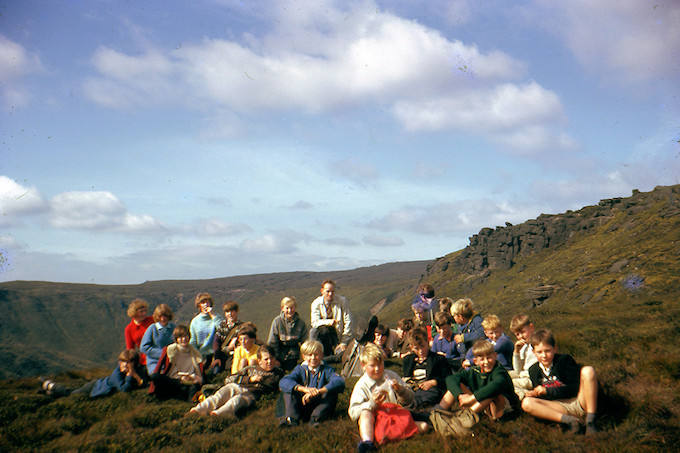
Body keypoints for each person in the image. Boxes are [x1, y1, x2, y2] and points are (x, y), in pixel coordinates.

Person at [349, 343, 427, 453]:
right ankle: (368, 443)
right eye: (372, 366)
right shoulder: (362, 385)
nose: (377, 369)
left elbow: (410, 399)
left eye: (380, 364)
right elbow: (353, 412)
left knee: (424, 426)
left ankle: (389, 436)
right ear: (363, 366)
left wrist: (400, 390)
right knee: (365, 413)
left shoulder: (391, 375)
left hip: (395, 417)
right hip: (376, 421)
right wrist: (372, 404)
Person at [521, 329, 599, 435]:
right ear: (534, 352)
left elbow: (574, 389)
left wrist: (547, 391)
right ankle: (571, 421)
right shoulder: (533, 370)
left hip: (578, 401)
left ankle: (590, 421)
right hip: (559, 407)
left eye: (547, 351)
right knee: (526, 402)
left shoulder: (564, 360)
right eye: (539, 352)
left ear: (555, 348)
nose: (544, 355)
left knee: (588, 371)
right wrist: (534, 394)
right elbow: (544, 397)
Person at [189, 345, 284, 416]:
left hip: (252, 394)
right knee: (220, 395)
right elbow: (229, 379)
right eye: (266, 359)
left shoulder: (278, 373)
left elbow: (270, 385)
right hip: (236, 386)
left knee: (235, 401)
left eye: (271, 358)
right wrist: (249, 379)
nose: (269, 362)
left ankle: (217, 415)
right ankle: (198, 410)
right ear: (259, 361)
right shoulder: (250, 368)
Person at [438, 340, 520, 423]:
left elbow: (497, 385)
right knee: (456, 386)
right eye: (482, 359)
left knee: (491, 393)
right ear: (475, 361)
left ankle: (466, 417)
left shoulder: (499, 371)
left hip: (505, 408)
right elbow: (451, 379)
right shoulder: (474, 371)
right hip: (483, 407)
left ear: (495, 356)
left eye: (489, 357)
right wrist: (460, 396)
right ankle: (437, 413)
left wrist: (471, 399)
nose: (486, 362)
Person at [278, 339, 346, 428]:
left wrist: (319, 391)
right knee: (288, 389)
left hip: (320, 404)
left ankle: (316, 419)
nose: (313, 358)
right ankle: (292, 419)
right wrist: (304, 389)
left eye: (316, 354)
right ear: (304, 357)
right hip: (303, 403)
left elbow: (339, 381)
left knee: (331, 392)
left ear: (322, 355)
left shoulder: (327, 369)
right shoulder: (300, 369)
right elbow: (284, 381)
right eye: (309, 355)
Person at [41, 349, 145, 398]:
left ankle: (49, 393)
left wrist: (134, 374)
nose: (125, 365)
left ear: (134, 363)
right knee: (70, 394)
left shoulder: (136, 370)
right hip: (94, 387)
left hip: (98, 386)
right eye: (123, 362)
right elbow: (124, 389)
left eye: (129, 362)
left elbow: (143, 384)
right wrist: (130, 375)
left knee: (70, 393)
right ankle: (49, 384)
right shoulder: (116, 374)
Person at [149, 325, 204, 401]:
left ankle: (191, 404)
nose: (184, 339)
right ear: (176, 339)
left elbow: (200, 376)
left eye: (186, 336)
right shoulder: (169, 350)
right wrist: (151, 390)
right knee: (155, 376)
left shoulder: (195, 353)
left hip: (188, 383)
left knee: (193, 387)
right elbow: (158, 368)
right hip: (173, 381)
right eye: (180, 337)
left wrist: (192, 378)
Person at [402, 327, 451, 410]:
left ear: (427, 343)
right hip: (412, 389)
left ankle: (412, 409)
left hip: (430, 390)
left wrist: (434, 382)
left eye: (422, 346)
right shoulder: (408, 360)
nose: (421, 351)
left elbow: (448, 378)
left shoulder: (438, 359)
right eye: (416, 348)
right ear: (411, 347)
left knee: (426, 396)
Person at [309, 280, 354, 358]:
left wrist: (343, 342)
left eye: (332, 291)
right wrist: (328, 322)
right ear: (322, 291)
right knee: (313, 331)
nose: (330, 294)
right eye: (328, 291)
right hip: (323, 336)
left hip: (338, 336)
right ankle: (312, 352)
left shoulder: (342, 301)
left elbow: (348, 322)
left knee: (341, 356)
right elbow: (314, 322)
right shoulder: (316, 303)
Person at [268, 296, 309, 371]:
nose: (289, 310)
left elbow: (305, 342)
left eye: (292, 308)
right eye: (287, 308)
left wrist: (305, 358)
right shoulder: (277, 321)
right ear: (282, 308)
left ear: (295, 308)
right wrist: (275, 359)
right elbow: (272, 342)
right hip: (279, 353)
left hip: (293, 354)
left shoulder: (301, 323)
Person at [140, 304, 176, 376]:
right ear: (156, 317)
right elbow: (143, 348)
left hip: (171, 361)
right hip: (155, 362)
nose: (163, 319)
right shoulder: (152, 328)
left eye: (165, 316)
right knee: (157, 377)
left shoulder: (173, 327)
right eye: (160, 316)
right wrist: (162, 353)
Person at [189, 293, 223, 368]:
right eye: (203, 303)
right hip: (201, 355)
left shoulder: (217, 317)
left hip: (216, 354)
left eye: (207, 302)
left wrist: (212, 315)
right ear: (199, 305)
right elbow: (193, 340)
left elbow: (223, 330)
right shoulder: (195, 321)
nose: (205, 305)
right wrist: (196, 356)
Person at [509, 314, 538, 399]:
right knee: (502, 375)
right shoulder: (523, 346)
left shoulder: (538, 343)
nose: (521, 336)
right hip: (523, 374)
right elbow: (518, 370)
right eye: (517, 334)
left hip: (531, 378)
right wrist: (516, 352)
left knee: (506, 382)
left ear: (531, 327)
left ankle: (524, 395)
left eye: (523, 332)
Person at [212, 301, 244, 374]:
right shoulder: (222, 325)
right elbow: (216, 341)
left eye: (232, 311)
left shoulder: (242, 327)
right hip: (222, 355)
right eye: (227, 312)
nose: (230, 314)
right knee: (215, 372)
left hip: (234, 357)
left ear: (237, 312)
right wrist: (217, 357)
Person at [124, 299, 154, 366]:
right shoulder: (129, 329)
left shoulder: (152, 320)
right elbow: (130, 350)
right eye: (141, 312)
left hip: (158, 355)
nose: (144, 313)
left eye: (145, 311)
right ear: (134, 313)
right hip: (144, 360)